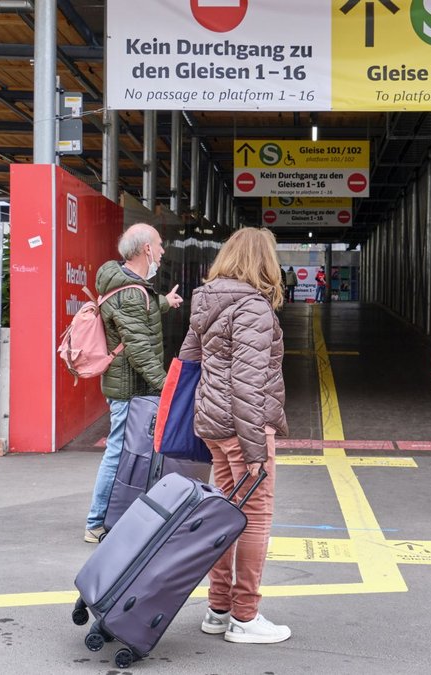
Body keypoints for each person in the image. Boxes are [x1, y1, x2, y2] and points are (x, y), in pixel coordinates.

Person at [180, 228, 290, 645]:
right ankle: (245, 617)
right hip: (243, 427)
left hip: (212, 424)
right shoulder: (253, 308)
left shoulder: (205, 300)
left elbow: (190, 364)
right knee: (254, 517)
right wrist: (255, 447)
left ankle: (219, 608)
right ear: (263, 262)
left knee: (225, 515)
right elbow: (248, 382)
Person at [84, 223, 183, 543]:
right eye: (159, 244)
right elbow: (138, 346)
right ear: (146, 250)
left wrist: (165, 302)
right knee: (117, 452)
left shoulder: (132, 286)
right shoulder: (130, 290)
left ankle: (119, 515)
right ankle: (96, 521)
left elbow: (140, 316)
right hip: (128, 387)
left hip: (129, 384)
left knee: (130, 453)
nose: (163, 250)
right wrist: (167, 385)